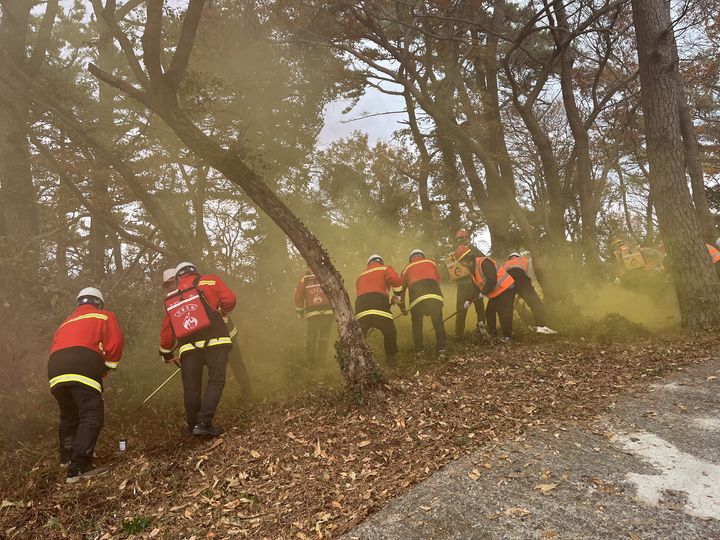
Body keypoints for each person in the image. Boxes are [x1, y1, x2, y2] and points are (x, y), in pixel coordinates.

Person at [48, 287, 124, 483]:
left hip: (55, 369)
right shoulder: (104, 316)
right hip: (82, 365)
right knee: (91, 414)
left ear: (79, 303)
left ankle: (67, 459)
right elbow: (115, 343)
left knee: (69, 415)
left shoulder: (65, 322)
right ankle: (79, 468)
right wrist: (107, 367)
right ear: (98, 303)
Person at [160, 262, 236, 437]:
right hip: (216, 341)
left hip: (188, 348)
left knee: (191, 388)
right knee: (216, 381)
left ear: (178, 277)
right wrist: (223, 310)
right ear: (195, 271)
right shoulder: (209, 280)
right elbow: (230, 300)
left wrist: (166, 352)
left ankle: (192, 426)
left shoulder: (173, 295)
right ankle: (204, 423)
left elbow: (167, 328)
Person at [355, 254, 404, 361]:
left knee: (359, 337)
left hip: (360, 308)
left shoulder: (360, 275)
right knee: (390, 331)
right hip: (379, 304)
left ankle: (358, 361)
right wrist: (397, 295)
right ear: (380, 262)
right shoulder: (385, 268)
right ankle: (391, 359)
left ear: (369, 263)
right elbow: (396, 280)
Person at [401, 249, 447, 358]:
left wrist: (402, 307)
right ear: (423, 256)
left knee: (417, 325)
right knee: (438, 322)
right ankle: (442, 350)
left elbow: (400, 290)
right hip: (435, 296)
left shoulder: (407, 268)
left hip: (416, 300)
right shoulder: (431, 263)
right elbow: (437, 280)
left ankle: (419, 352)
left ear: (411, 258)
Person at [462, 254, 515, 342]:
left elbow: (492, 279)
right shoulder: (473, 271)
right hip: (497, 292)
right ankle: (493, 334)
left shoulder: (484, 262)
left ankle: (508, 336)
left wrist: (483, 292)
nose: (464, 265)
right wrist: (469, 300)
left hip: (505, 288)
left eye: (464, 262)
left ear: (469, 260)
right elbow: (476, 288)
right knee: (490, 312)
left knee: (503, 311)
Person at [504, 253, 557, 335]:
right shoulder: (524, 260)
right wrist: (526, 290)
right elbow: (529, 275)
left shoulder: (506, 263)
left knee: (507, 309)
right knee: (536, 304)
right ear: (518, 256)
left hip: (508, 284)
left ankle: (507, 333)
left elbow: (503, 277)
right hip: (522, 281)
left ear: (509, 257)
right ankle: (541, 327)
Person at [294, 267, 334, 365]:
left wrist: (300, 312)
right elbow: (334, 291)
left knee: (311, 338)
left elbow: (298, 296)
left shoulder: (305, 279)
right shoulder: (326, 276)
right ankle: (321, 364)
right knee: (323, 339)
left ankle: (311, 363)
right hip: (327, 313)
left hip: (312, 315)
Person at [451, 229, 484, 337]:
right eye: (459, 239)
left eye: (463, 239)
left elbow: (483, 261)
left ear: (467, 239)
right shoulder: (455, 253)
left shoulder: (473, 250)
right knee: (462, 310)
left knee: (478, 308)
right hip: (464, 285)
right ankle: (459, 333)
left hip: (473, 283)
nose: (461, 241)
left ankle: (481, 329)